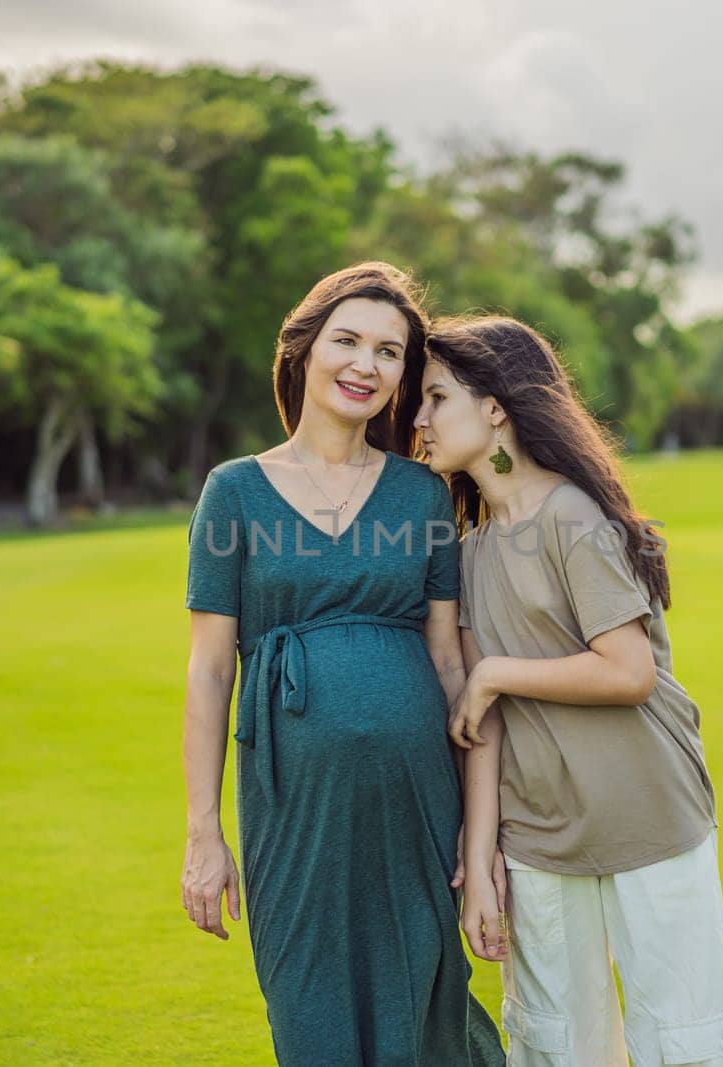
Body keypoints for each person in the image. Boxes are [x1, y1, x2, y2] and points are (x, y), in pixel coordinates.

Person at [179, 263, 504, 1065]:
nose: (367, 365)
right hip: (290, 803)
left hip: (417, 801)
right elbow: (210, 671)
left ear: (403, 374)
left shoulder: (422, 494)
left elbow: (449, 661)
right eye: (349, 341)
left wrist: (480, 829)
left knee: (425, 1002)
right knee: (307, 1003)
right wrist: (202, 832)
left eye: (390, 352)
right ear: (304, 349)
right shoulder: (234, 493)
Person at [416, 315, 723, 1066]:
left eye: (436, 397)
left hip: (649, 819)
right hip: (536, 839)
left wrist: (496, 673)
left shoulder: (571, 514)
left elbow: (627, 672)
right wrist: (480, 859)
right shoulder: (469, 553)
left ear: (494, 406)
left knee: (682, 1045)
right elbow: (483, 727)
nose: (418, 419)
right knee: (556, 1049)